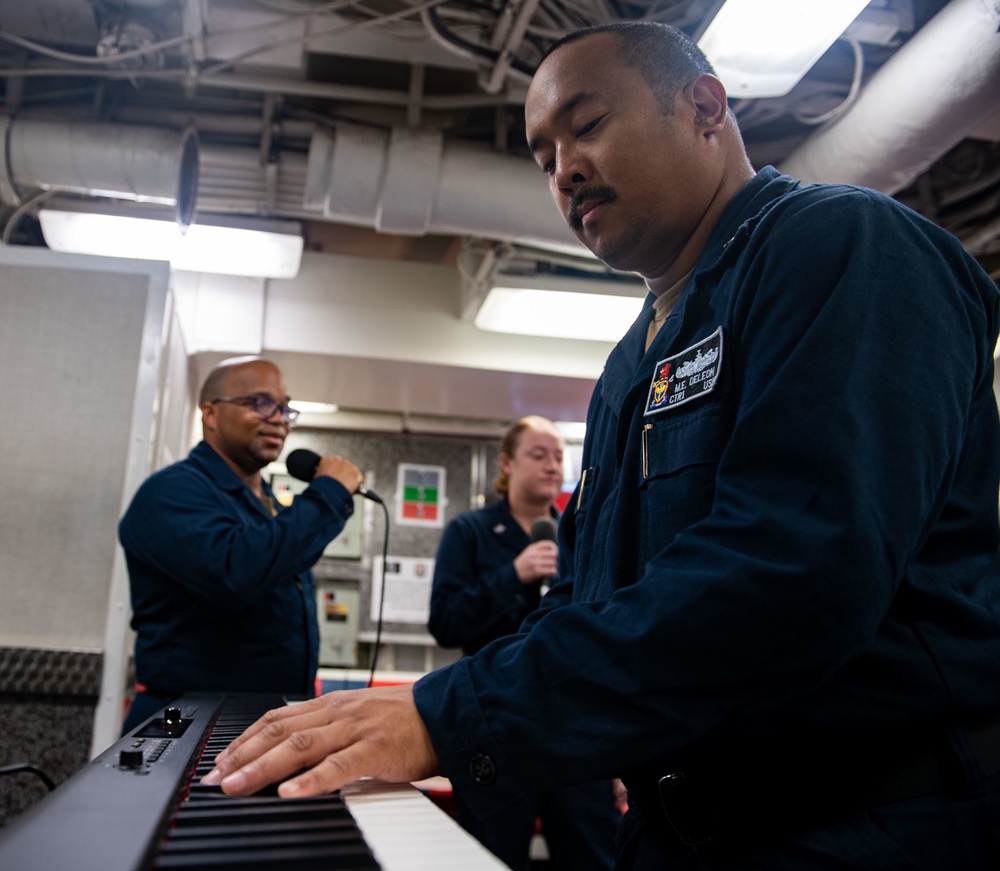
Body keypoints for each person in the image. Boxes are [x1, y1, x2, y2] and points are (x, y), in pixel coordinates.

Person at [202, 23, 1000, 870]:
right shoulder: (633, 364)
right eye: (544, 158)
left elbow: (795, 572)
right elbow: (583, 601)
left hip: (868, 825)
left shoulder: (842, 246)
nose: (565, 170)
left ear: (704, 106)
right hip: (680, 830)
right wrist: (423, 715)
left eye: (585, 126)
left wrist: (453, 715)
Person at [118, 355, 365, 733]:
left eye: (285, 407)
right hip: (185, 721)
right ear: (210, 414)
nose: (278, 417)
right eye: (260, 402)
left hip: (259, 720)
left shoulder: (265, 505)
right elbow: (238, 572)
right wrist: (328, 494)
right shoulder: (172, 492)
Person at [428, 415, 618, 870]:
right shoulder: (470, 532)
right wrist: (512, 576)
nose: (552, 466)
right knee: (492, 857)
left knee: (594, 856)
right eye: (538, 455)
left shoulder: (584, 535)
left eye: (558, 456)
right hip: (494, 726)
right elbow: (447, 623)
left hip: (574, 725)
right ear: (507, 463)